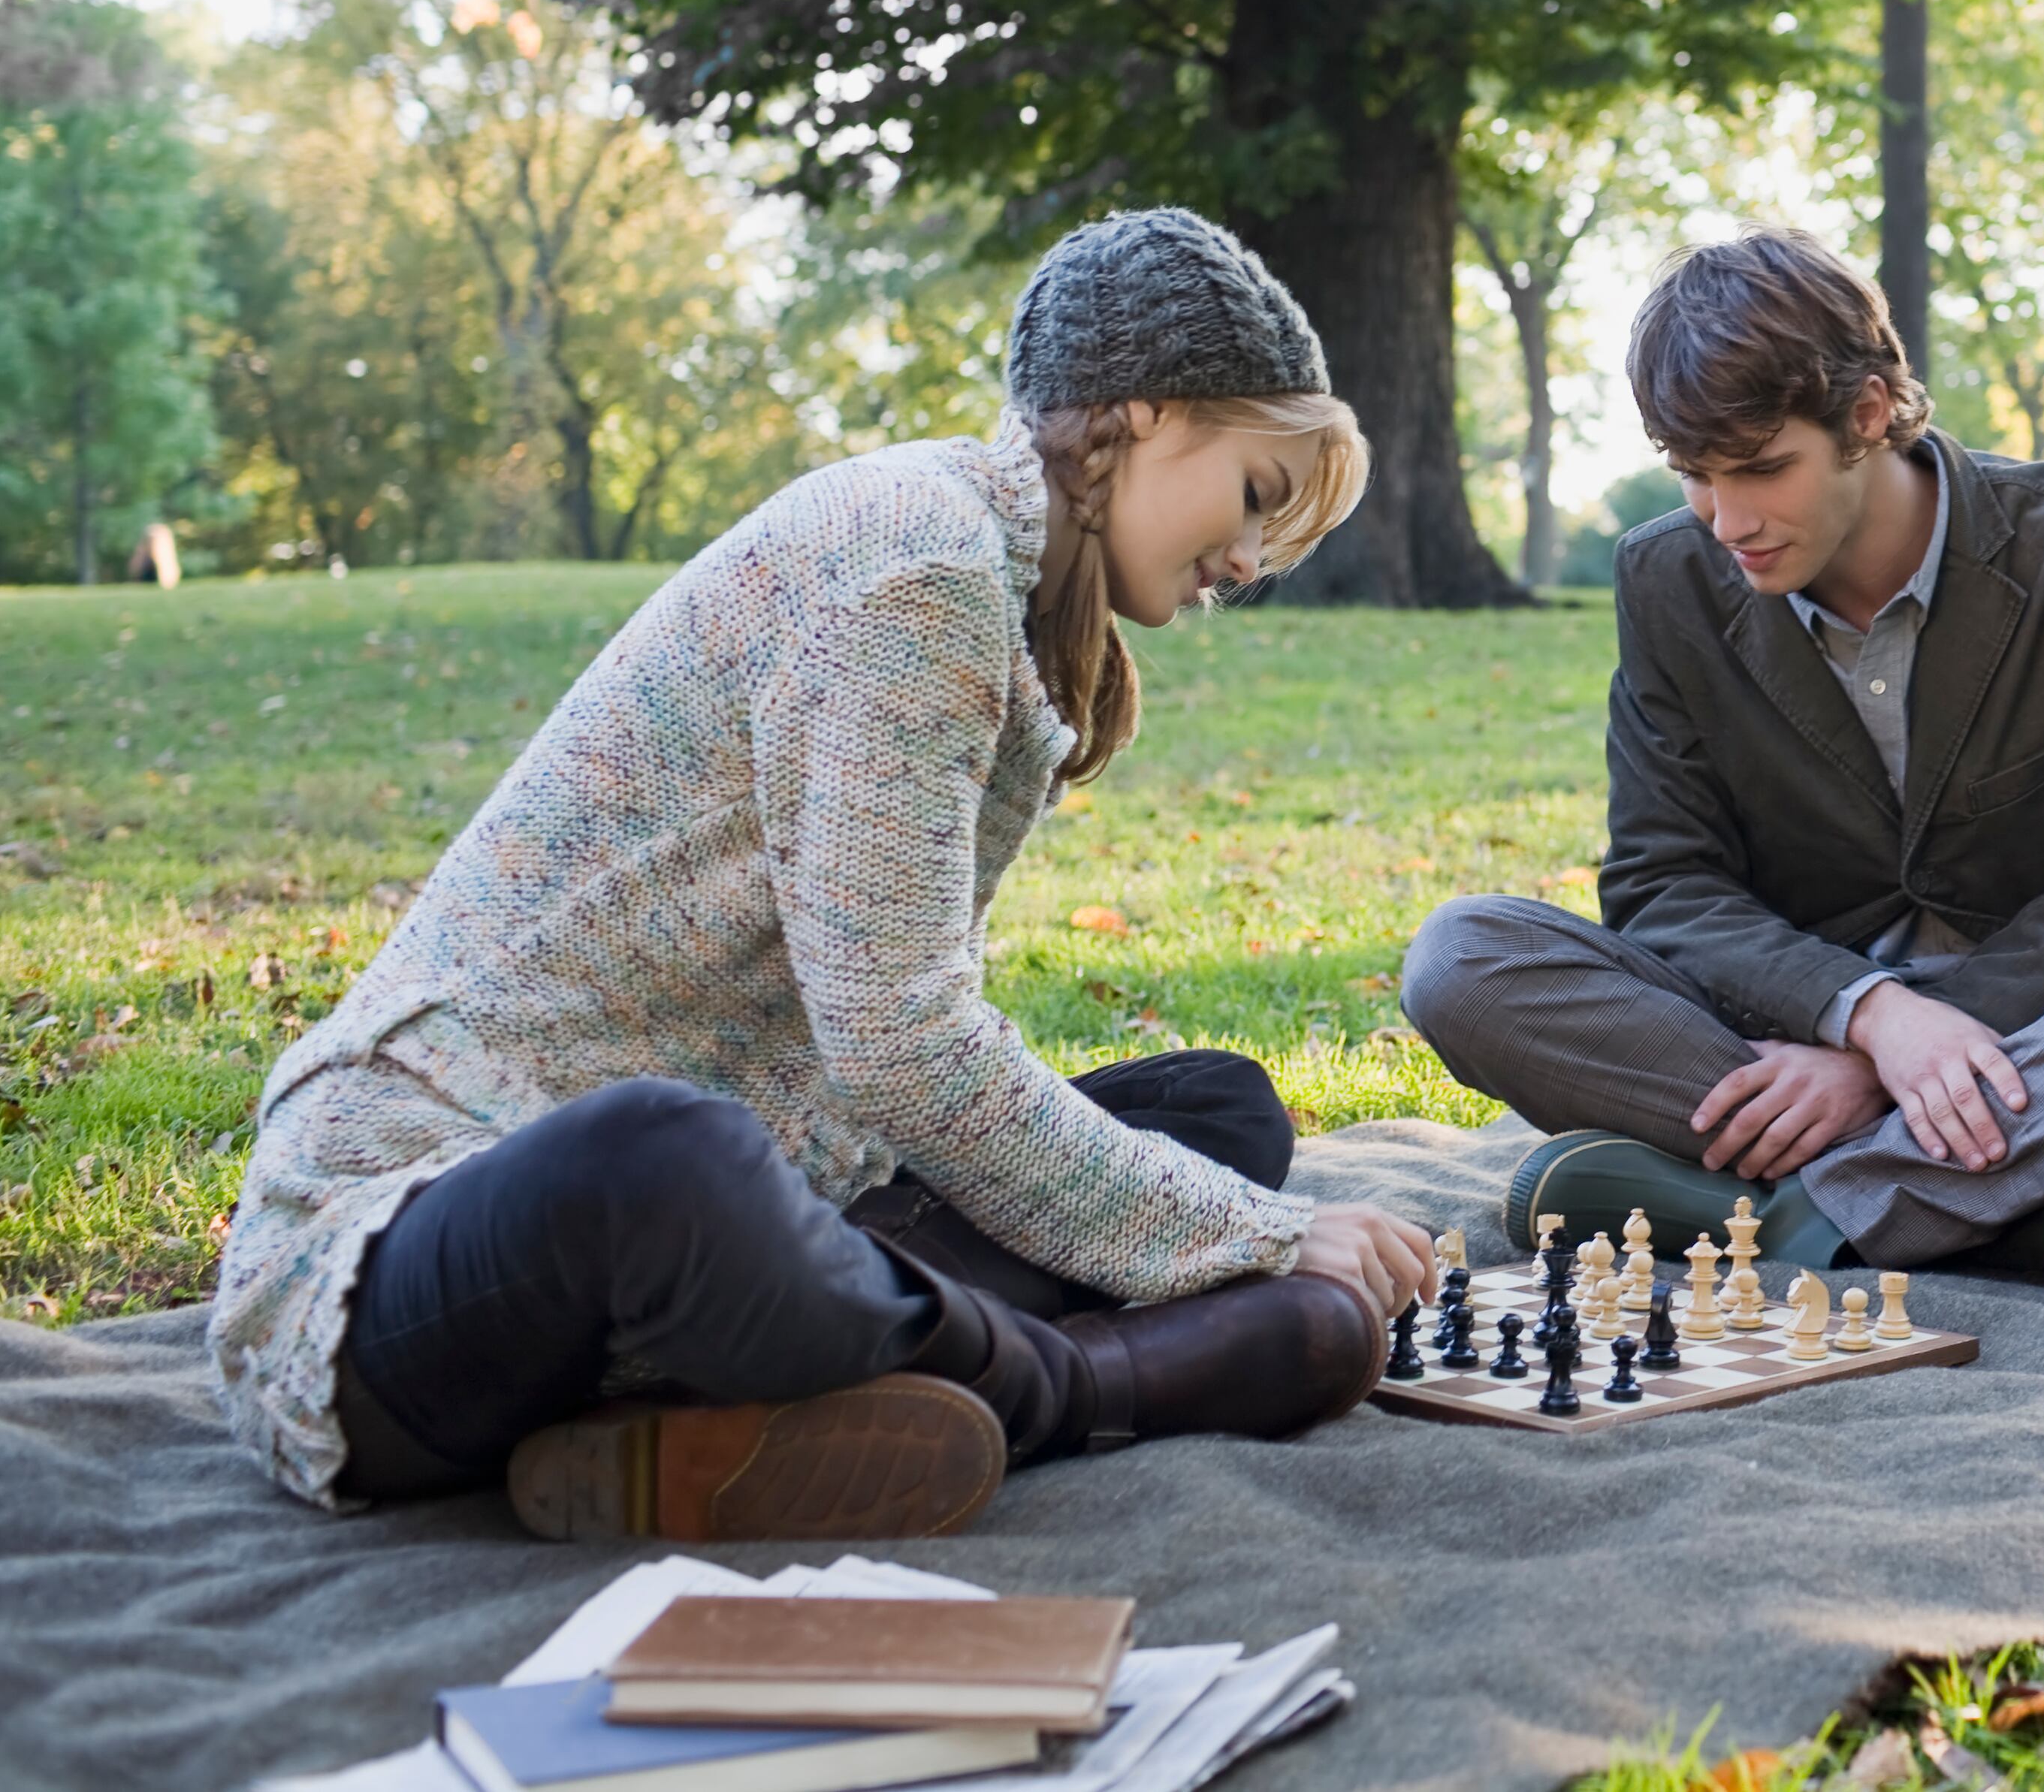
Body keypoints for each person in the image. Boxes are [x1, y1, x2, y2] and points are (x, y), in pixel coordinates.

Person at [208, 210, 1439, 1541]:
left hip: (765, 1198)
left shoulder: (996, 581)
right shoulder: (913, 563)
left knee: (1214, 1112)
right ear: (1141, 413)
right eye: (1255, 493)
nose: (1250, 564)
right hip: (421, 1251)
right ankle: (1082, 1384)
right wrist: (1256, 1245)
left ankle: (728, 1417)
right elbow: (899, 1045)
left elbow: (894, 1065)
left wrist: (1218, 1210)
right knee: (658, 1155)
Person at [1402, 230, 2044, 1293]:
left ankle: (1792, 1209)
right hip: (1788, 1025)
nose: (1727, 517)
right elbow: (1664, 887)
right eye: (1694, 474)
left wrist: (1885, 1065)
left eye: (1760, 468)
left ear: (1867, 414)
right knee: (1460, 955)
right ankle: (2007, 1198)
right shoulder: (1664, 576)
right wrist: (1865, 1017)